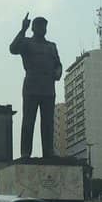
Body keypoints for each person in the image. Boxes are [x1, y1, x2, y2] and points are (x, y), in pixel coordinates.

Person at [9, 14, 63, 159]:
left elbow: (58, 64)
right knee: (28, 121)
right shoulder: (26, 43)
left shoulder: (52, 46)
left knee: (48, 123)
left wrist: (57, 72)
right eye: (39, 26)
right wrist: (22, 30)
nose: (42, 29)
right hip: (31, 87)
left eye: (44, 26)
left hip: (48, 88)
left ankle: (48, 152)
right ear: (33, 28)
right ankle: (25, 152)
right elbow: (13, 49)